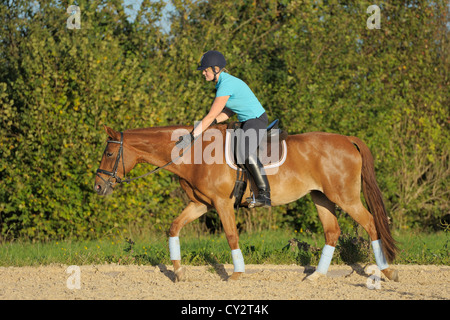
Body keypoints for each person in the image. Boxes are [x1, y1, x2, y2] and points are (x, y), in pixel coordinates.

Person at [176, 50, 271, 207]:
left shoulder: (226, 84)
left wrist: (191, 136)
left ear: (215, 69)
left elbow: (210, 115)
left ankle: (264, 195)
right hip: (246, 120)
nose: (203, 73)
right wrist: (212, 123)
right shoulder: (224, 83)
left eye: (205, 70)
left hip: (256, 120)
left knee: (245, 152)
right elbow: (229, 111)